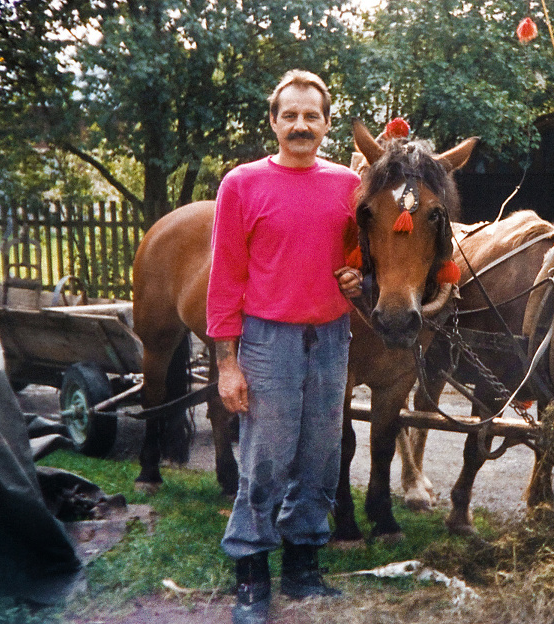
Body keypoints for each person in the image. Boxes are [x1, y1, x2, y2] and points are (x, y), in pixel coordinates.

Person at [206, 69, 362, 623]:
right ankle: (250, 577)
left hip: (331, 339)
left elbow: (360, 262)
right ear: (273, 122)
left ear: (326, 123)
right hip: (267, 340)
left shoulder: (348, 186)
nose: (301, 125)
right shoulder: (242, 184)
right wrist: (228, 365)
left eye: (311, 116)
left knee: (321, 458)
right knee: (265, 460)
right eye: (290, 115)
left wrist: (355, 280)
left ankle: (302, 571)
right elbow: (224, 281)